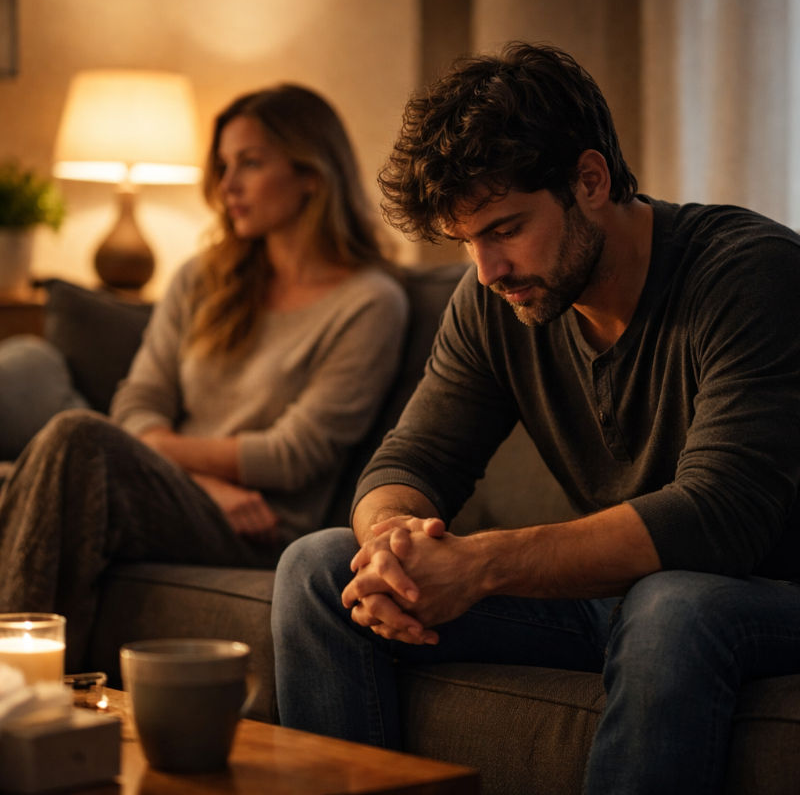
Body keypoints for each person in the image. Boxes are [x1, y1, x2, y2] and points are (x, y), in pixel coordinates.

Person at [270, 44, 800, 794]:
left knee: (675, 602)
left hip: (764, 593)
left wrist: (480, 564)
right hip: (629, 601)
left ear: (590, 180)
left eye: (505, 230)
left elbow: (720, 519)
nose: (487, 271)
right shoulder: (497, 303)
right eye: (467, 243)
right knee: (321, 571)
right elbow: (410, 463)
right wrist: (391, 549)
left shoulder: (750, 274)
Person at [0, 83, 409, 672]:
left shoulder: (369, 303)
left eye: (249, 163)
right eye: (223, 166)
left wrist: (164, 454)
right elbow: (138, 401)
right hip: (206, 498)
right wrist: (199, 479)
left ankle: (14, 687)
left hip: (262, 528)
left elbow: (294, 454)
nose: (227, 187)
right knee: (28, 474)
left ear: (311, 174)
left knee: (74, 439)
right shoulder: (203, 278)